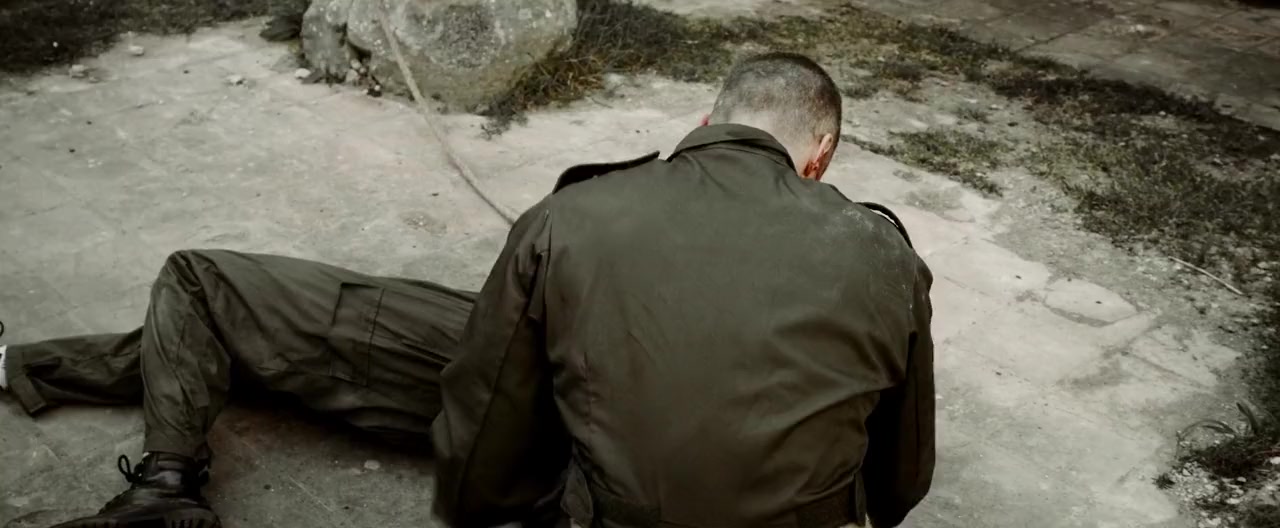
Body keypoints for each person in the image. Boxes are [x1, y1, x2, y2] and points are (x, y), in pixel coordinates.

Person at [0, 51, 934, 528]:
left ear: (704, 121)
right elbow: (901, 482)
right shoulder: (883, 257)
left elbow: (486, 418)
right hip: (621, 444)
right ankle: (26, 367)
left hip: (567, 452)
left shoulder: (582, 214)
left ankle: (158, 477)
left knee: (218, 290)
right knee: (237, 317)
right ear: (821, 157)